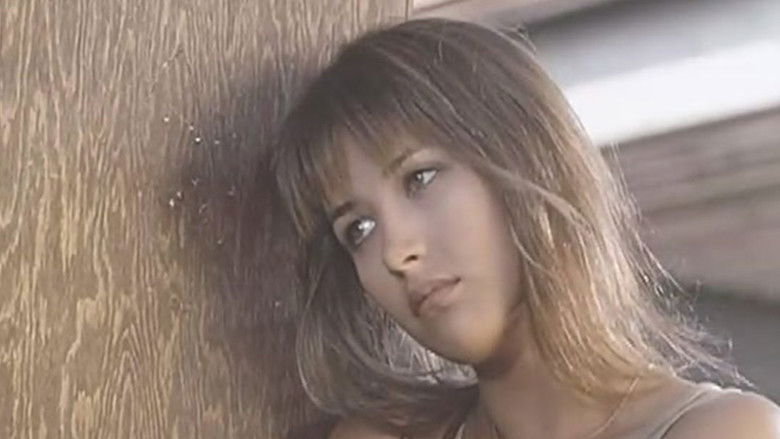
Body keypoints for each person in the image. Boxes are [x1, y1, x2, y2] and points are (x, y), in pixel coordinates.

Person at [269, 18, 780, 439]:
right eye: (358, 228)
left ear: (527, 158)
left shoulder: (724, 430)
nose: (395, 251)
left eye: (419, 178)